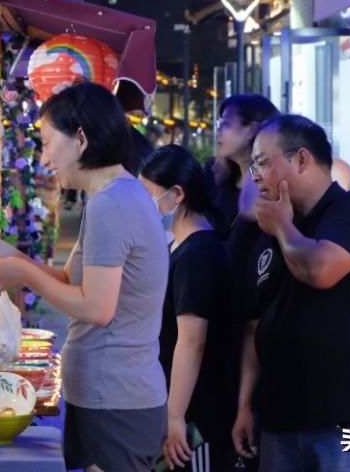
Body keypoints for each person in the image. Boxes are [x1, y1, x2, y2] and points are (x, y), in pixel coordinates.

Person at [0, 82, 169, 472]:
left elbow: (97, 309)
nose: (44, 157)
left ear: (81, 140)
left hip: (116, 400)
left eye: (48, 142)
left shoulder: (112, 203)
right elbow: (71, 282)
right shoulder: (113, 196)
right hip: (107, 395)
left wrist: (23, 273)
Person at [232, 114, 350, 472]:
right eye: (252, 166)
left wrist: (282, 226)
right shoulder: (269, 230)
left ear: (301, 159)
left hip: (349, 421)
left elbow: (319, 270)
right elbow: (255, 326)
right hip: (279, 419)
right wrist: (244, 405)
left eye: (261, 162)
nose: (254, 176)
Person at [139, 145, 236, 472]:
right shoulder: (181, 244)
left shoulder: (197, 256)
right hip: (181, 405)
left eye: (148, 196)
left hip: (197, 413)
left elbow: (192, 340)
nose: (143, 207)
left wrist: (175, 416)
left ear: (177, 194)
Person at [204, 94, 280, 240]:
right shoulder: (214, 171)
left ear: (250, 130)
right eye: (219, 124)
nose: (218, 131)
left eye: (226, 124)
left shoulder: (270, 181)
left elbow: (249, 210)